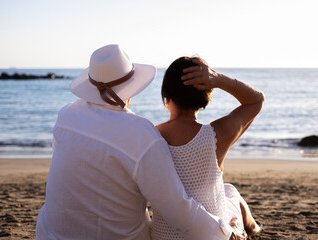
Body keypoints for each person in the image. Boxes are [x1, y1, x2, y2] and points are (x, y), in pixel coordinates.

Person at [35, 45, 244, 240]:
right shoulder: (139, 133)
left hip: (49, 234)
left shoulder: (66, 115)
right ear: (130, 88)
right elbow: (178, 208)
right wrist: (224, 232)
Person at [151, 57, 264, 239]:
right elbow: (256, 100)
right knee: (232, 192)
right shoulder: (216, 135)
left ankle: (251, 228)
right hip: (213, 235)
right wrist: (219, 80)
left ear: (167, 99)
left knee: (228, 190)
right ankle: (253, 229)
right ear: (206, 96)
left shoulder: (150, 136)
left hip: (164, 236)